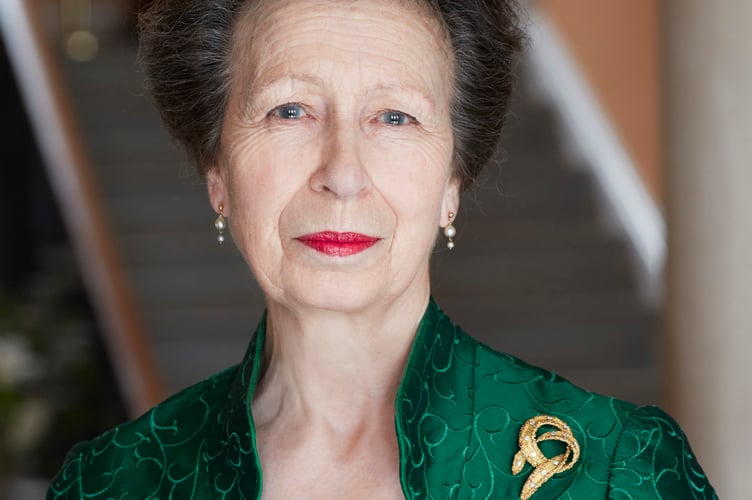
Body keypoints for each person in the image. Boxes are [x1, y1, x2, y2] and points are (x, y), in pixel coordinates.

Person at [48, 0, 716, 498]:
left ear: (454, 179)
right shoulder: (113, 481)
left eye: (395, 117)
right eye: (290, 110)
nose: (342, 172)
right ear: (216, 172)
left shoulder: (618, 468)